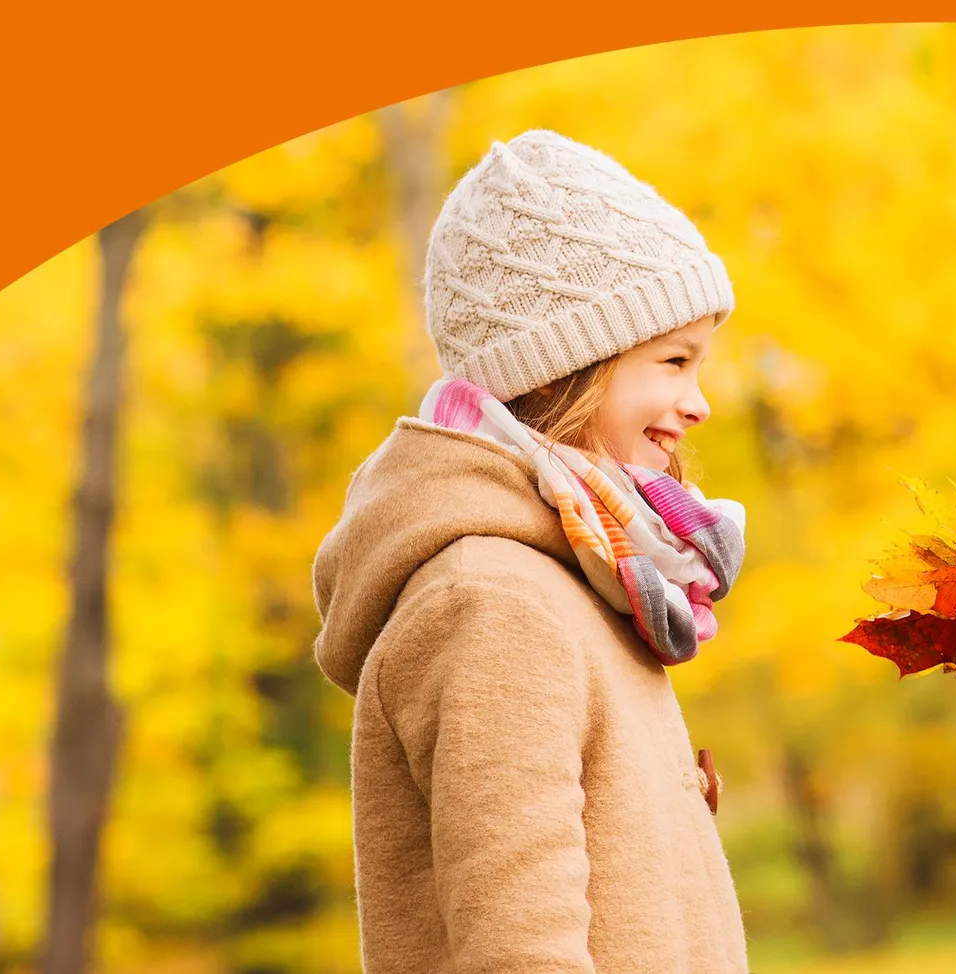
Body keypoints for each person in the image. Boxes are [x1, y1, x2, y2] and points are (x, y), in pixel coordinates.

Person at [311, 129, 750, 972]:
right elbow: (520, 946)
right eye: (673, 361)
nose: (699, 403)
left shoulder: (580, 575)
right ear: (565, 367)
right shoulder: (493, 601)